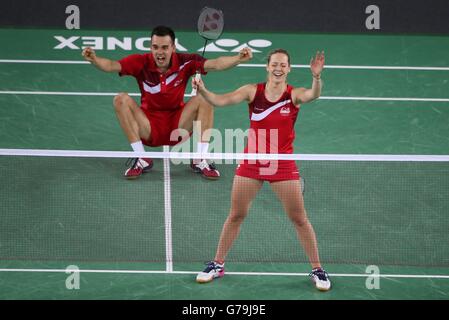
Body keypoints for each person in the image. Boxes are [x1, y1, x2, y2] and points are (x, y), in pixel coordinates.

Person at [192, 49, 331, 291]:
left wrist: (316, 77)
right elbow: (221, 101)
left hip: (282, 163)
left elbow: (312, 95)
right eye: (274, 63)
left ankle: (318, 269)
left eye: (283, 65)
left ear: (288, 69)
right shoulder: (252, 91)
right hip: (252, 162)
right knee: (236, 215)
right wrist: (202, 90)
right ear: (267, 67)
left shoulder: (293, 95)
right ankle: (217, 264)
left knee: (299, 218)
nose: (278, 68)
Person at [82, 25, 252, 179]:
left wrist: (237, 58)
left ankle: (201, 158)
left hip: (178, 127)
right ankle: (141, 158)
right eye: (155, 47)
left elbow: (216, 64)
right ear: (150, 48)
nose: (160, 52)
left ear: (173, 48)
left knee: (204, 98)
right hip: (148, 127)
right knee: (120, 99)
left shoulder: (186, 62)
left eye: (164, 47)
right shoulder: (141, 62)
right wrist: (95, 60)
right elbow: (112, 65)